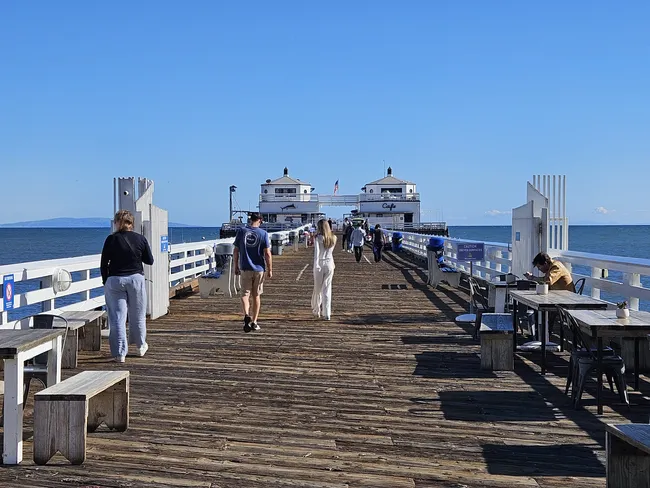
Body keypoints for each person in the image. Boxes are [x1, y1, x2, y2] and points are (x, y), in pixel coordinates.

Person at [101, 210, 154, 363]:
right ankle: (140, 346)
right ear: (132, 224)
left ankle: (119, 354)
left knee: (117, 317)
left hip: (115, 280)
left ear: (117, 222)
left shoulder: (111, 239)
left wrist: (106, 281)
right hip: (135, 280)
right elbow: (149, 260)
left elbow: (104, 264)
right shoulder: (140, 239)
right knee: (137, 314)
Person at [233, 212, 273, 332]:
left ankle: (246, 315)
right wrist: (270, 269)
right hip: (259, 269)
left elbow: (236, 251)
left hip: (245, 267)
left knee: (245, 294)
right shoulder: (263, 234)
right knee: (256, 295)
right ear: (260, 220)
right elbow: (267, 253)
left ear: (250, 220)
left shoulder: (242, 231)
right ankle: (254, 322)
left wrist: (236, 266)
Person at [311, 219, 337, 320]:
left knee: (317, 289)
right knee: (327, 289)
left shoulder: (318, 238)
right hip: (330, 263)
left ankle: (316, 310)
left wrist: (316, 265)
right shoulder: (334, 238)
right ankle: (327, 313)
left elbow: (316, 254)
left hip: (320, 264)